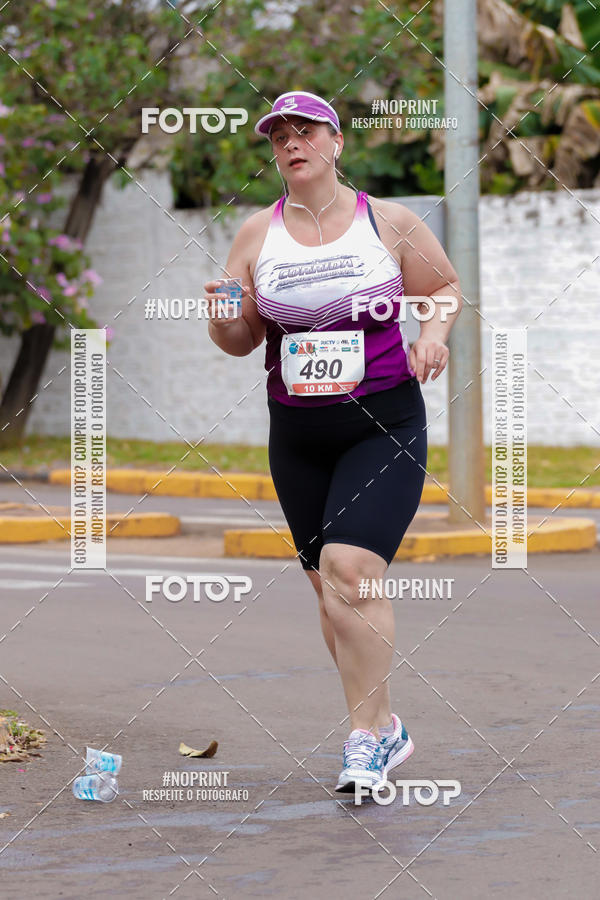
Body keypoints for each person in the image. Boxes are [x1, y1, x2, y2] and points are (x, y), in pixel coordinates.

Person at [204, 91, 462, 794]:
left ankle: (364, 740)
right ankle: (383, 726)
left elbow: (441, 287)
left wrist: (432, 336)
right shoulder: (257, 234)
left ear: (336, 142)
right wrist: (221, 312)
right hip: (297, 436)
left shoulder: (388, 220)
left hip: (384, 423)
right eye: (280, 135)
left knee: (352, 571)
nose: (292, 142)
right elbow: (239, 340)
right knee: (330, 594)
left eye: (306, 130)